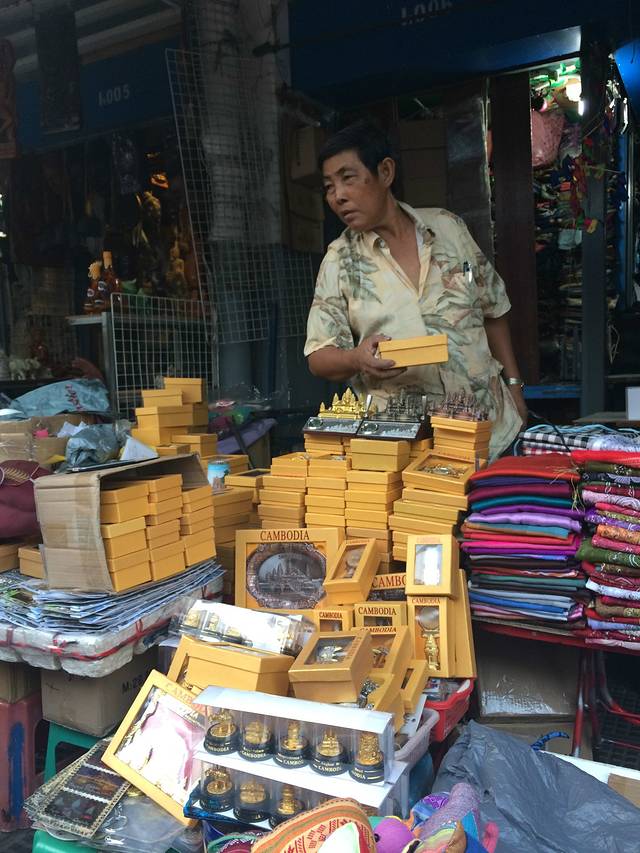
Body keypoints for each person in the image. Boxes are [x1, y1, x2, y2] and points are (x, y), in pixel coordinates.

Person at [304, 120, 527, 458]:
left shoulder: (448, 228)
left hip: (490, 429)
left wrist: (514, 387)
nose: (338, 196)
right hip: (408, 446)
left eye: (347, 178)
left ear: (385, 172)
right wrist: (356, 358)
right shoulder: (340, 260)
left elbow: (493, 309)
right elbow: (319, 357)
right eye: (329, 186)